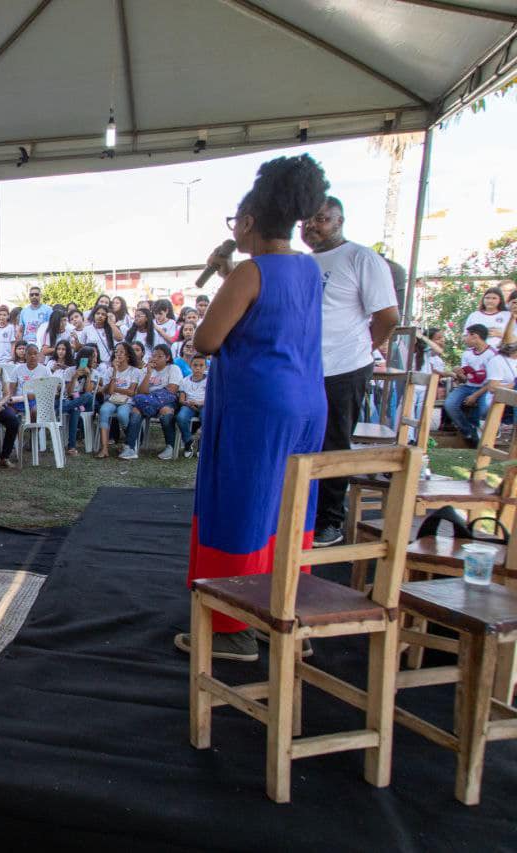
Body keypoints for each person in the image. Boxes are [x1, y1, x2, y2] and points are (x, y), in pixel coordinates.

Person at [176, 153, 330, 663]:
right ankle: (280, 612)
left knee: (241, 508)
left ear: (247, 222)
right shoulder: (307, 268)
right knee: (286, 510)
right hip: (306, 402)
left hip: (258, 406)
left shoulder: (249, 271)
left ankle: (231, 627)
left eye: (233, 222)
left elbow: (208, 339)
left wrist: (228, 277)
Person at [298, 195, 400, 547]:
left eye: (321, 219)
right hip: (304, 369)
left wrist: (362, 349)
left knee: (333, 443)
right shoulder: (303, 263)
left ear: (339, 221)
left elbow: (388, 317)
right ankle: (302, 513)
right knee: (302, 442)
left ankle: (330, 521)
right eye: (307, 221)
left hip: (345, 368)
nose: (312, 226)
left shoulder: (361, 257)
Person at [123, 345, 183, 460]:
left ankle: (170, 447)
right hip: (148, 401)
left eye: (160, 356)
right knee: (135, 410)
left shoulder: (173, 368)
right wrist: (149, 373)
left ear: (167, 357)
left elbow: (172, 389)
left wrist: (152, 398)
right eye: (154, 356)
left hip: (166, 400)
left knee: (165, 412)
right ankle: (130, 448)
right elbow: (141, 391)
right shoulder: (146, 370)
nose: (155, 358)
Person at [443, 323, 498, 445]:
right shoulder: (467, 353)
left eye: (466, 335)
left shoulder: (493, 354)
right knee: (450, 404)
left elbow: (492, 383)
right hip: (468, 386)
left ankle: (480, 433)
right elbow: (464, 379)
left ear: (475, 336)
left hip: (485, 389)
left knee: (484, 409)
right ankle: (468, 431)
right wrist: (459, 374)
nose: (464, 338)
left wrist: (475, 396)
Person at [97, 342, 143, 458]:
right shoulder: (110, 370)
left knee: (123, 414)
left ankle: (131, 438)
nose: (118, 354)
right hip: (112, 400)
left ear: (128, 355)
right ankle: (104, 448)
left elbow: (131, 392)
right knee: (104, 411)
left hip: (127, 401)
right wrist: (114, 372)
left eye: (122, 352)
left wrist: (116, 389)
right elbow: (110, 391)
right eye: (116, 351)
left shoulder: (134, 371)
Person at [176, 353, 208, 457]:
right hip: (189, 406)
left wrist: (199, 403)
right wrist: (187, 403)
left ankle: (201, 444)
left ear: (206, 367)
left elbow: (212, 399)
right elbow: (181, 399)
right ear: (190, 366)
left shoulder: (210, 380)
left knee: (206, 417)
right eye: (195, 365)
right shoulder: (185, 380)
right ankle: (188, 440)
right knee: (181, 417)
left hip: (204, 405)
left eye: (201, 365)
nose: (198, 368)